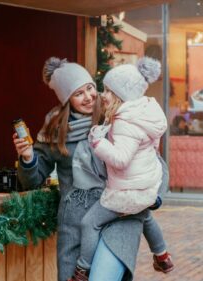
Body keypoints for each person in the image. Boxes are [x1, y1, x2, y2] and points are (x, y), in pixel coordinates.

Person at [13, 57, 168, 281]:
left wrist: (154, 199)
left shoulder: (117, 116)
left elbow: (155, 162)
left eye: (90, 88)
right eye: (78, 93)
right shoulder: (55, 131)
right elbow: (32, 181)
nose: (89, 97)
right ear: (67, 99)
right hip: (75, 224)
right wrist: (27, 158)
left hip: (119, 218)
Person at [70, 57, 173, 281]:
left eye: (103, 90)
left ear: (120, 95)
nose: (97, 94)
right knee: (144, 215)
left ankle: (81, 271)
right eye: (79, 93)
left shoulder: (122, 121)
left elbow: (141, 161)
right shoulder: (141, 116)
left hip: (122, 210)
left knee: (93, 223)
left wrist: (156, 198)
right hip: (134, 193)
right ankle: (162, 255)